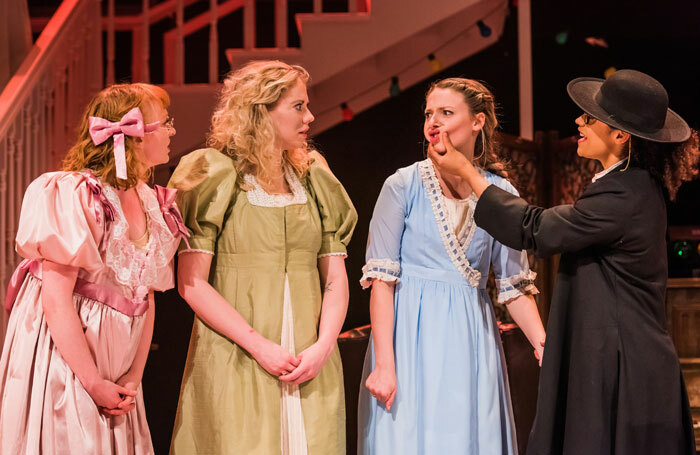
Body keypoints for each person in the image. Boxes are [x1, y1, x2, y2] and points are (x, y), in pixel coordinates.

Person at [429, 69, 699, 454]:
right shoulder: (627, 183)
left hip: (624, 368)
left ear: (620, 135)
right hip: (621, 357)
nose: (579, 121)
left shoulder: (625, 193)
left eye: (590, 118)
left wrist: (469, 174)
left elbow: (537, 228)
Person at [168, 60, 357, 455]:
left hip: (309, 356)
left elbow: (336, 277)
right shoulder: (216, 173)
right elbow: (192, 282)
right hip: (238, 351)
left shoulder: (313, 175)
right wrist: (260, 346)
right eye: (298, 106)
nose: (310, 116)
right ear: (260, 110)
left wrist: (323, 346)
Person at [358, 77, 546, 454]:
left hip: (471, 337)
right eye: (429, 113)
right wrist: (384, 363)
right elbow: (382, 281)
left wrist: (544, 342)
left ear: (477, 121)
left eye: (446, 113)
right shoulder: (403, 185)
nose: (433, 123)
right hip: (410, 338)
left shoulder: (500, 194)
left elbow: (514, 286)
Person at [0, 83, 184, 454]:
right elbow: (55, 300)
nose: (172, 131)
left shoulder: (153, 203)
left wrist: (133, 377)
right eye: (165, 123)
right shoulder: (78, 195)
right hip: (68, 357)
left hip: (118, 364)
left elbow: (144, 298)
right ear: (131, 137)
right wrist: (92, 380)